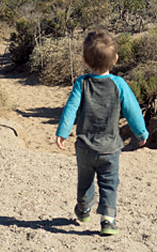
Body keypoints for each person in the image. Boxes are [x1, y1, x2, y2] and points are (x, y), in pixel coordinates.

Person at [55, 29, 149, 236]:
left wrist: (62, 131)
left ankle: (83, 209)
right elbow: (132, 110)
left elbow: (71, 108)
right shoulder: (119, 84)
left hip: (85, 146)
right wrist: (141, 133)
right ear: (115, 59)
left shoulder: (82, 83)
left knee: (85, 180)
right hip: (111, 148)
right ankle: (108, 219)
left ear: (84, 60)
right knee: (109, 182)